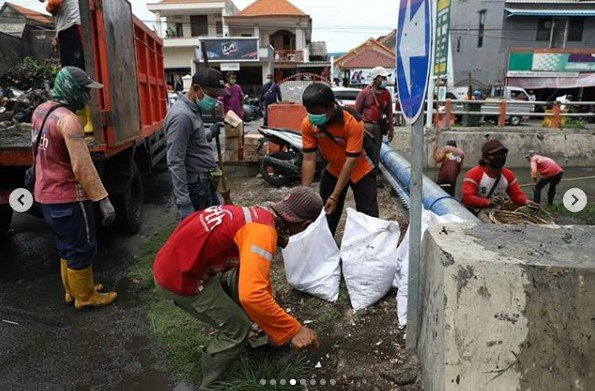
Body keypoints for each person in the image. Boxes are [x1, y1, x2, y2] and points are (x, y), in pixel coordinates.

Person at [153, 187, 322, 390]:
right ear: (305, 225)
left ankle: (252, 338)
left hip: (180, 261)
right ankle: (213, 384)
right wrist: (294, 330)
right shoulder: (263, 232)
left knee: (244, 281)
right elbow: (252, 296)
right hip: (181, 279)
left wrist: (273, 324)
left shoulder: (258, 214)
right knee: (237, 327)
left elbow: (258, 281)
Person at [31, 66, 117, 309]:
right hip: (69, 197)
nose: (87, 97)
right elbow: (83, 167)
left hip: (45, 195)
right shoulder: (70, 122)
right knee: (83, 245)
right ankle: (85, 297)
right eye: (84, 91)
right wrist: (103, 199)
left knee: (66, 245)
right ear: (71, 89)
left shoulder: (41, 111)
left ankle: (74, 290)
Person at [301, 83, 378, 236]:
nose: (313, 117)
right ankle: (326, 251)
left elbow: (351, 161)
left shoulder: (352, 122)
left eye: (317, 113)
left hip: (360, 170)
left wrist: (335, 196)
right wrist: (305, 193)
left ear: (331, 107)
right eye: (309, 112)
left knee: (367, 216)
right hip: (334, 169)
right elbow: (309, 159)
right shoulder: (308, 124)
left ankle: (371, 251)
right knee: (326, 214)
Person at [165, 67, 227, 220]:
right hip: (195, 188)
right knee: (204, 234)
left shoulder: (193, 110)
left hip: (205, 184)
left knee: (215, 226)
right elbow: (175, 161)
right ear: (196, 88)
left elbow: (193, 142)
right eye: (212, 95)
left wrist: (209, 133)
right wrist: (184, 202)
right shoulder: (182, 116)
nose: (215, 100)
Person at [462, 140, 538, 219]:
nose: (500, 157)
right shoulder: (473, 174)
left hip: (495, 214)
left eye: (502, 154)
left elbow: (516, 194)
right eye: (496, 155)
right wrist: (487, 202)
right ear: (485, 158)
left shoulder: (508, 175)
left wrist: (526, 201)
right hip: (475, 213)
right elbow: (467, 197)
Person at [354, 66, 395, 167]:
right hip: (365, 126)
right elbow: (356, 112)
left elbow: (389, 112)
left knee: (376, 153)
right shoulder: (364, 93)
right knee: (363, 151)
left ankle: (373, 175)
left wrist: (391, 129)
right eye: (382, 78)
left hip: (378, 127)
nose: (385, 80)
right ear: (376, 78)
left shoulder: (386, 94)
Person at [44, 0, 84, 69]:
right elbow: (60, 17)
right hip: (68, 29)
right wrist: (56, 37)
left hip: (71, 28)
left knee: (74, 67)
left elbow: (53, 5)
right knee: (70, 67)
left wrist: (47, 6)